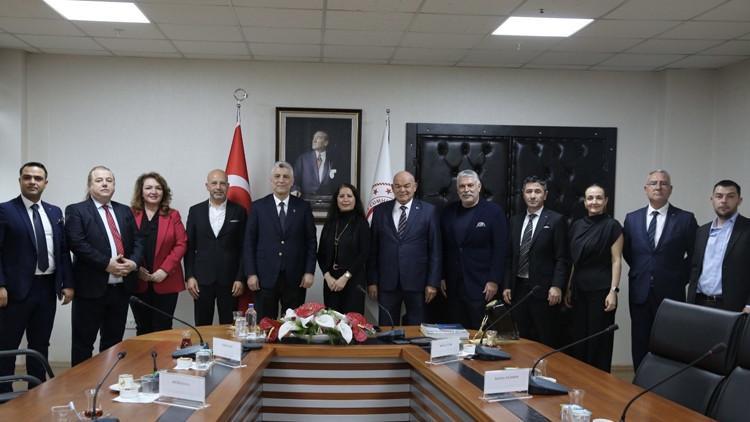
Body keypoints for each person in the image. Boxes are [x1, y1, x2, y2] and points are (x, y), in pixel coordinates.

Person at [0, 162, 73, 391]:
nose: (33, 182)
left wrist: (68, 283)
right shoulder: (5, 210)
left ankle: (37, 393)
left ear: (45, 183)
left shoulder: (54, 212)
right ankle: (4, 395)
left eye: (38, 178)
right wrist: (0, 285)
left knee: (40, 344)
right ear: (20, 181)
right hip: (15, 290)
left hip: (47, 288)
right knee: (7, 345)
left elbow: (62, 250)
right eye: (28, 177)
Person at [66, 165, 142, 366]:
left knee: (113, 343)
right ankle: (81, 382)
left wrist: (133, 262)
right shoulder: (76, 210)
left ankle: (108, 379)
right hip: (90, 289)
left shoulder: (124, 210)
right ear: (90, 185)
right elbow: (77, 243)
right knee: (83, 344)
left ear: (114, 185)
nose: (105, 184)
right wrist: (106, 264)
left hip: (120, 289)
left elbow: (138, 241)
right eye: (99, 180)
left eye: (109, 180)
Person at [623, 170, 697, 370]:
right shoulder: (632, 218)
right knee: (640, 341)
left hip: (671, 292)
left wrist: (679, 278)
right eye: (653, 183)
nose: (658, 187)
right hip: (640, 290)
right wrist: (643, 271)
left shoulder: (685, 219)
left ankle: (665, 383)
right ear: (645, 188)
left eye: (663, 183)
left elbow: (695, 255)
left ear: (670, 189)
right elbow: (629, 252)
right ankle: (640, 380)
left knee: (670, 342)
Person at [244, 162, 317, 320]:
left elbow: (311, 241)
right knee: (265, 324)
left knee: (293, 324)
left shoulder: (303, 207)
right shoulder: (258, 207)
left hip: (295, 277)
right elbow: (249, 242)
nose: (281, 180)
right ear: (271, 180)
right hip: (264, 277)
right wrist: (251, 273)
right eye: (277, 176)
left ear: (292, 181)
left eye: (286, 177)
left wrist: (309, 271)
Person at [368, 171, 441, 326]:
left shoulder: (429, 211)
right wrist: (372, 281)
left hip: (418, 283)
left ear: (415, 187)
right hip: (387, 283)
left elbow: (435, 250)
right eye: (398, 186)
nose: (402, 190)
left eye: (407, 186)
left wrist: (432, 282)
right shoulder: (380, 211)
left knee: (417, 329)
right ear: (392, 188)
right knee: (386, 329)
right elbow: (373, 249)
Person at [503, 176, 568, 346]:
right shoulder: (515, 221)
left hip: (544, 291)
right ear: (523, 194)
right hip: (518, 289)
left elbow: (562, 258)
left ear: (545, 195)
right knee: (520, 338)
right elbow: (509, 256)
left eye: (537, 191)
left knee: (545, 337)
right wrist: (507, 285)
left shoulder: (556, 220)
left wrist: (557, 286)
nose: (533, 196)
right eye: (529, 191)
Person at [565, 184, 623, 372]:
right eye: (590, 198)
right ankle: (580, 378)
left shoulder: (612, 226)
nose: (594, 202)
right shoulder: (576, 225)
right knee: (579, 338)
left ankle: (599, 382)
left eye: (599, 198)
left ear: (606, 201)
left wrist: (613, 291)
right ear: (585, 202)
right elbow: (573, 261)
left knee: (598, 340)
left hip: (601, 290)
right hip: (578, 289)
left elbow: (616, 260)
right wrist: (568, 288)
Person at [441, 170, 507, 329]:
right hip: (453, 285)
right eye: (462, 186)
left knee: (479, 330)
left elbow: (501, 249)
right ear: (457, 190)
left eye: (470, 185)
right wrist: (441, 276)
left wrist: (494, 280)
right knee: (456, 330)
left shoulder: (494, 212)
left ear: (479, 187)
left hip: (482, 285)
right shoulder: (448, 212)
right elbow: (443, 247)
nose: (466, 190)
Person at [185, 169, 246, 325]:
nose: (218, 187)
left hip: (230, 281)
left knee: (229, 328)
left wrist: (240, 278)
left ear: (228, 186)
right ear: (207, 186)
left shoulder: (239, 211)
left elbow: (244, 248)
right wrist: (190, 276)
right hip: (201, 281)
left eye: (222, 183)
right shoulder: (195, 211)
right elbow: (189, 247)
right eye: (214, 183)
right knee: (202, 325)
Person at [129, 172, 187, 335]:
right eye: (148, 188)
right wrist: (136, 269)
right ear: (141, 191)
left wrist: (164, 270)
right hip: (138, 281)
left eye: (158, 188)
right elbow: (124, 245)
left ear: (164, 192)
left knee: (163, 328)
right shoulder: (130, 214)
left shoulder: (173, 215)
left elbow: (181, 243)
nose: (153, 191)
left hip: (166, 280)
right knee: (142, 328)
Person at [688, 180, 750, 313]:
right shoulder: (701, 231)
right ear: (712, 200)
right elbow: (695, 268)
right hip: (698, 303)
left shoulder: (747, 229)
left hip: (734, 307)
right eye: (719, 196)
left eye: (730, 196)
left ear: (739, 200)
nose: (724, 201)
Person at [317, 183, 369, 314]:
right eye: (341, 196)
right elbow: (320, 253)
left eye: (349, 196)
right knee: (331, 321)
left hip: (353, 281)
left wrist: (345, 277)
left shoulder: (361, 223)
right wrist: (327, 276)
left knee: (351, 322)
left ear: (355, 199)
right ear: (336, 199)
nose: (345, 199)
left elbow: (364, 253)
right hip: (331, 282)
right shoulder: (330, 223)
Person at [292, 131, 337, 197]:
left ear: (326, 142)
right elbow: (295, 179)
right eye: (313, 138)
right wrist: (295, 190)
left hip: (328, 199)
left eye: (318, 137)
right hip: (306, 199)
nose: (314, 140)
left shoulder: (334, 159)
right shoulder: (303, 159)